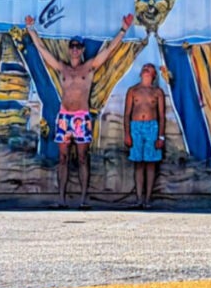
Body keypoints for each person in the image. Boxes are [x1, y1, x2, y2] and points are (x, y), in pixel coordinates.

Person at [25, 13, 134, 208]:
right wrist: (31, 29)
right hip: (64, 117)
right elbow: (42, 50)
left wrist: (124, 29)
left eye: (78, 46)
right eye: (72, 46)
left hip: (81, 118)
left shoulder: (89, 67)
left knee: (83, 158)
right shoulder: (62, 68)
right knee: (63, 158)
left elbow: (109, 51)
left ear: (82, 49)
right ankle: (62, 199)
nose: (75, 49)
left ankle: (83, 199)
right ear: (69, 50)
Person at [123, 62, 166, 208]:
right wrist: (127, 133)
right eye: (144, 68)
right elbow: (127, 114)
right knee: (138, 163)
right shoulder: (132, 91)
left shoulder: (157, 92)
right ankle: (139, 198)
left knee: (151, 163)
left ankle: (148, 199)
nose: (146, 69)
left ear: (154, 75)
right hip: (136, 127)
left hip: (152, 127)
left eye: (149, 68)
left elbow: (162, 116)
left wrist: (161, 136)